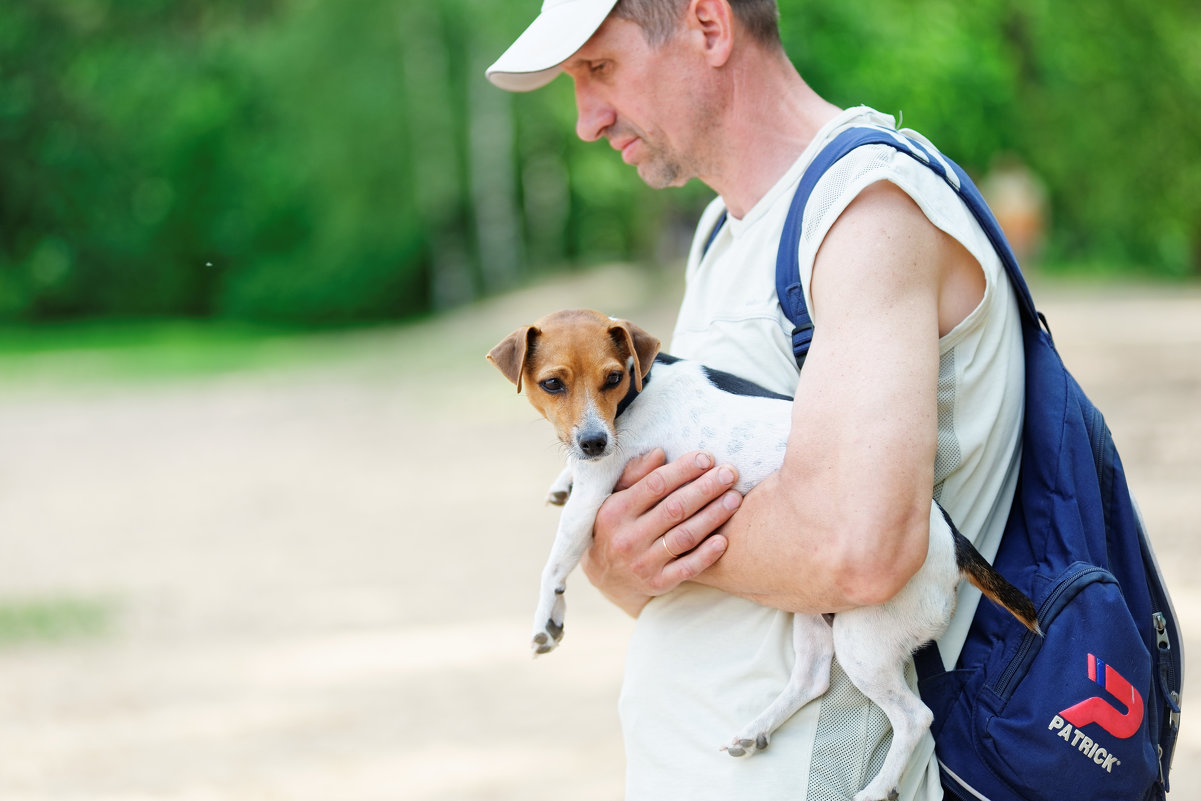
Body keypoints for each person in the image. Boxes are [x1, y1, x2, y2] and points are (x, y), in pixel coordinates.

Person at [486, 1, 1024, 799]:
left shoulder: (864, 210)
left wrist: (642, 529)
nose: (585, 121)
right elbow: (675, 575)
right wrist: (616, 552)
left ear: (707, 25)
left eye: (598, 69)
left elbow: (857, 549)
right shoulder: (721, 233)